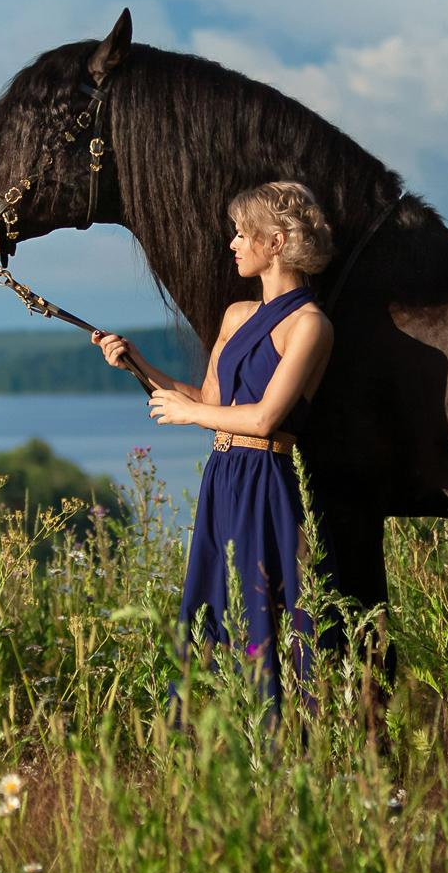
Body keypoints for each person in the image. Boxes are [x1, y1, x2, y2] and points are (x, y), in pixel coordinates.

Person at [93, 180, 336, 703]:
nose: (233, 244)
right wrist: (137, 362)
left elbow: (268, 417)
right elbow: (207, 398)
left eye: (242, 233)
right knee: (213, 602)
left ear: (275, 242)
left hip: (266, 483)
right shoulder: (235, 315)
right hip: (222, 477)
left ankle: (281, 733)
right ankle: (210, 731)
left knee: (263, 606)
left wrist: (190, 414)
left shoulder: (311, 325)